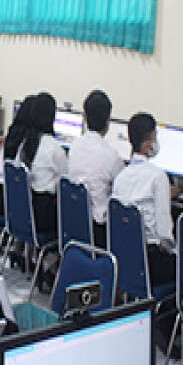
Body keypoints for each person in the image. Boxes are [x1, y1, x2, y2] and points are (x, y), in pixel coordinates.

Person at [112, 112, 176, 285]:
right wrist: (175, 250)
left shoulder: (120, 177)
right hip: (151, 264)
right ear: (148, 144)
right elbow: (164, 234)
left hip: (124, 259)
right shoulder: (158, 177)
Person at [68, 90, 125, 248]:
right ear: (108, 121)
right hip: (98, 230)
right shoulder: (112, 156)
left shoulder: (74, 147)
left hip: (73, 221)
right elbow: (123, 190)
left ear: (84, 118)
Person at [19, 92, 67, 234]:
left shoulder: (25, 142)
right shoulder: (54, 148)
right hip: (43, 218)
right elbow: (66, 180)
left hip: (25, 212)